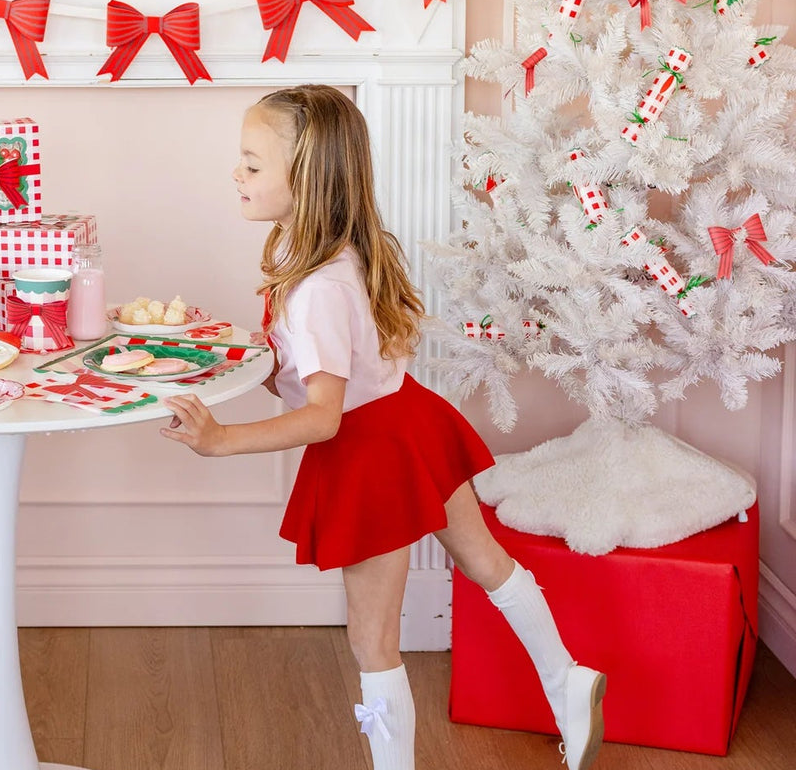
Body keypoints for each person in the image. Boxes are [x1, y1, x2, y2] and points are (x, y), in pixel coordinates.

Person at [160, 85, 605, 770]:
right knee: (488, 563)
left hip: (367, 451)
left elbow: (322, 415)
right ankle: (566, 680)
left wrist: (223, 440)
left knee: (372, 640)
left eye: (251, 164)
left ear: (302, 179)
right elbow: (332, 356)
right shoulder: (336, 252)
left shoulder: (317, 289)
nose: (236, 175)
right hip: (409, 420)